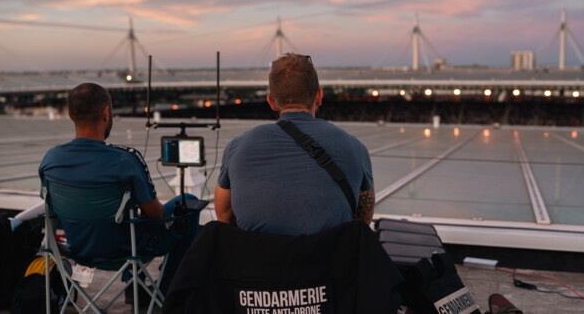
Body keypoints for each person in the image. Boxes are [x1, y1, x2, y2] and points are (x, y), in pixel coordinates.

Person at [38, 82, 201, 304]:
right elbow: (156, 214)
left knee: (129, 220)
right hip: (124, 251)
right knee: (188, 203)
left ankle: (136, 283)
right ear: (106, 113)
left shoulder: (51, 160)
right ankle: (166, 292)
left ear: (69, 114)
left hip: (77, 249)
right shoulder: (125, 160)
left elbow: (52, 208)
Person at [215, 53, 375, 235]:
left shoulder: (236, 147)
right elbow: (363, 220)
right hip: (329, 261)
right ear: (319, 96)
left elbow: (224, 216)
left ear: (271, 101)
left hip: (258, 261)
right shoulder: (355, 148)